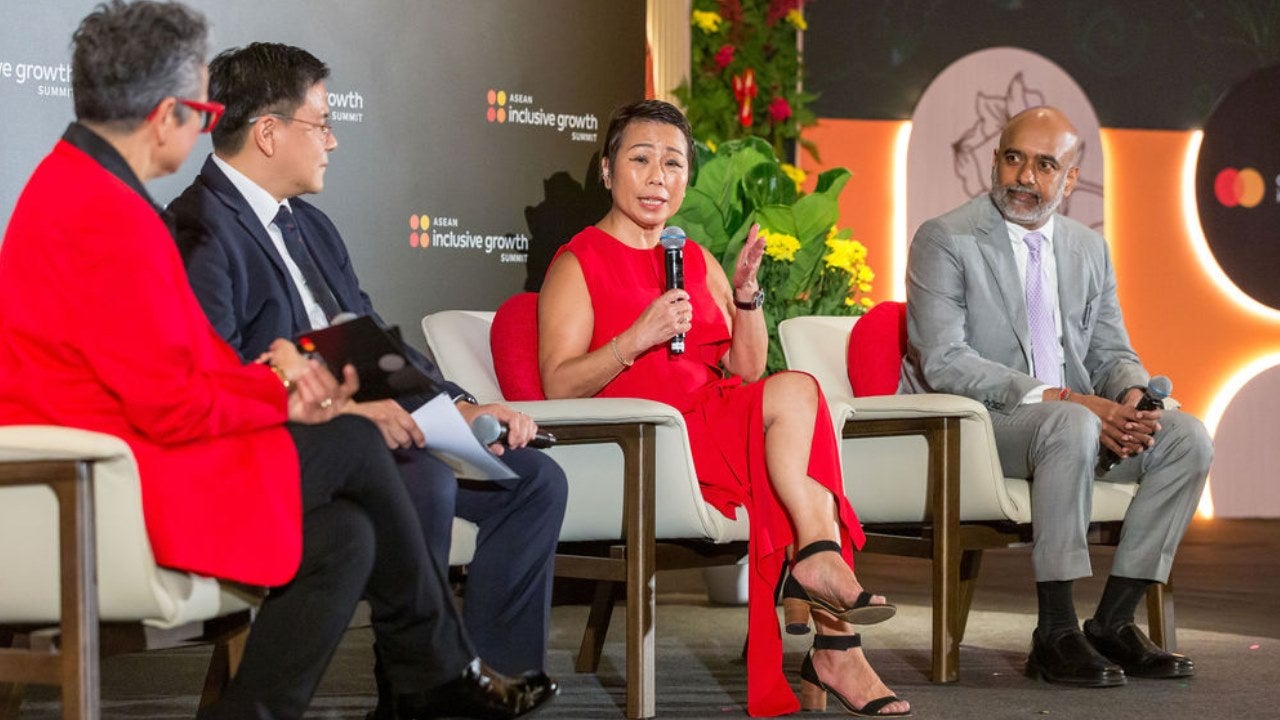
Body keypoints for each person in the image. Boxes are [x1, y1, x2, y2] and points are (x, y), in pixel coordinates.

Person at [0, 3, 556, 719]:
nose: (207, 125)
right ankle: (437, 672)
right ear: (165, 114)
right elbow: (172, 401)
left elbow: (190, 362)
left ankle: (311, 700)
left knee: (346, 539)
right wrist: (284, 399)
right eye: (201, 108)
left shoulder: (79, 186)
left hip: (124, 460)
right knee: (357, 440)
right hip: (111, 483)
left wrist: (287, 380)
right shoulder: (111, 215)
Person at [163, 42, 568, 715]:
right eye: (321, 124)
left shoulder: (312, 228)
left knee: (534, 483)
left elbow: (376, 342)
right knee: (425, 477)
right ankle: (419, 695)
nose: (334, 141)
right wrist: (349, 413)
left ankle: (485, 682)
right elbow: (220, 371)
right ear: (269, 132)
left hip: (386, 429)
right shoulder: (201, 225)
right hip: (293, 449)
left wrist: (459, 407)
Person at [537, 99, 909, 718]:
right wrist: (636, 338)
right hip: (655, 440)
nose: (659, 177)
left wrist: (744, 297)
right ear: (607, 171)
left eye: (674, 163)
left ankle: (823, 594)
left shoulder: (696, 259)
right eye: (641, 159)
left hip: (720, 418)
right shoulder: (579, 262)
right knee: (800, 419)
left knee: (797, 389)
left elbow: (747, 369)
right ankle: (832, 629)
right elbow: (557, 386)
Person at [900, 105, 1212, 688]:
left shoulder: (1086, 249)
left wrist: (1133, 396)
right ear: (994, 161)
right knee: (1069, 422)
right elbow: (943, 360)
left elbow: (1110, 351)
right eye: (1014, 158)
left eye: (1045, 165)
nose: (1024, 177)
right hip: (989, 425)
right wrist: (1066, 399)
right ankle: (1055, 630)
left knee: (1186, 437)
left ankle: (1113, 623)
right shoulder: (946, 238)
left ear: (1069, 180)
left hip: (1076, 424)